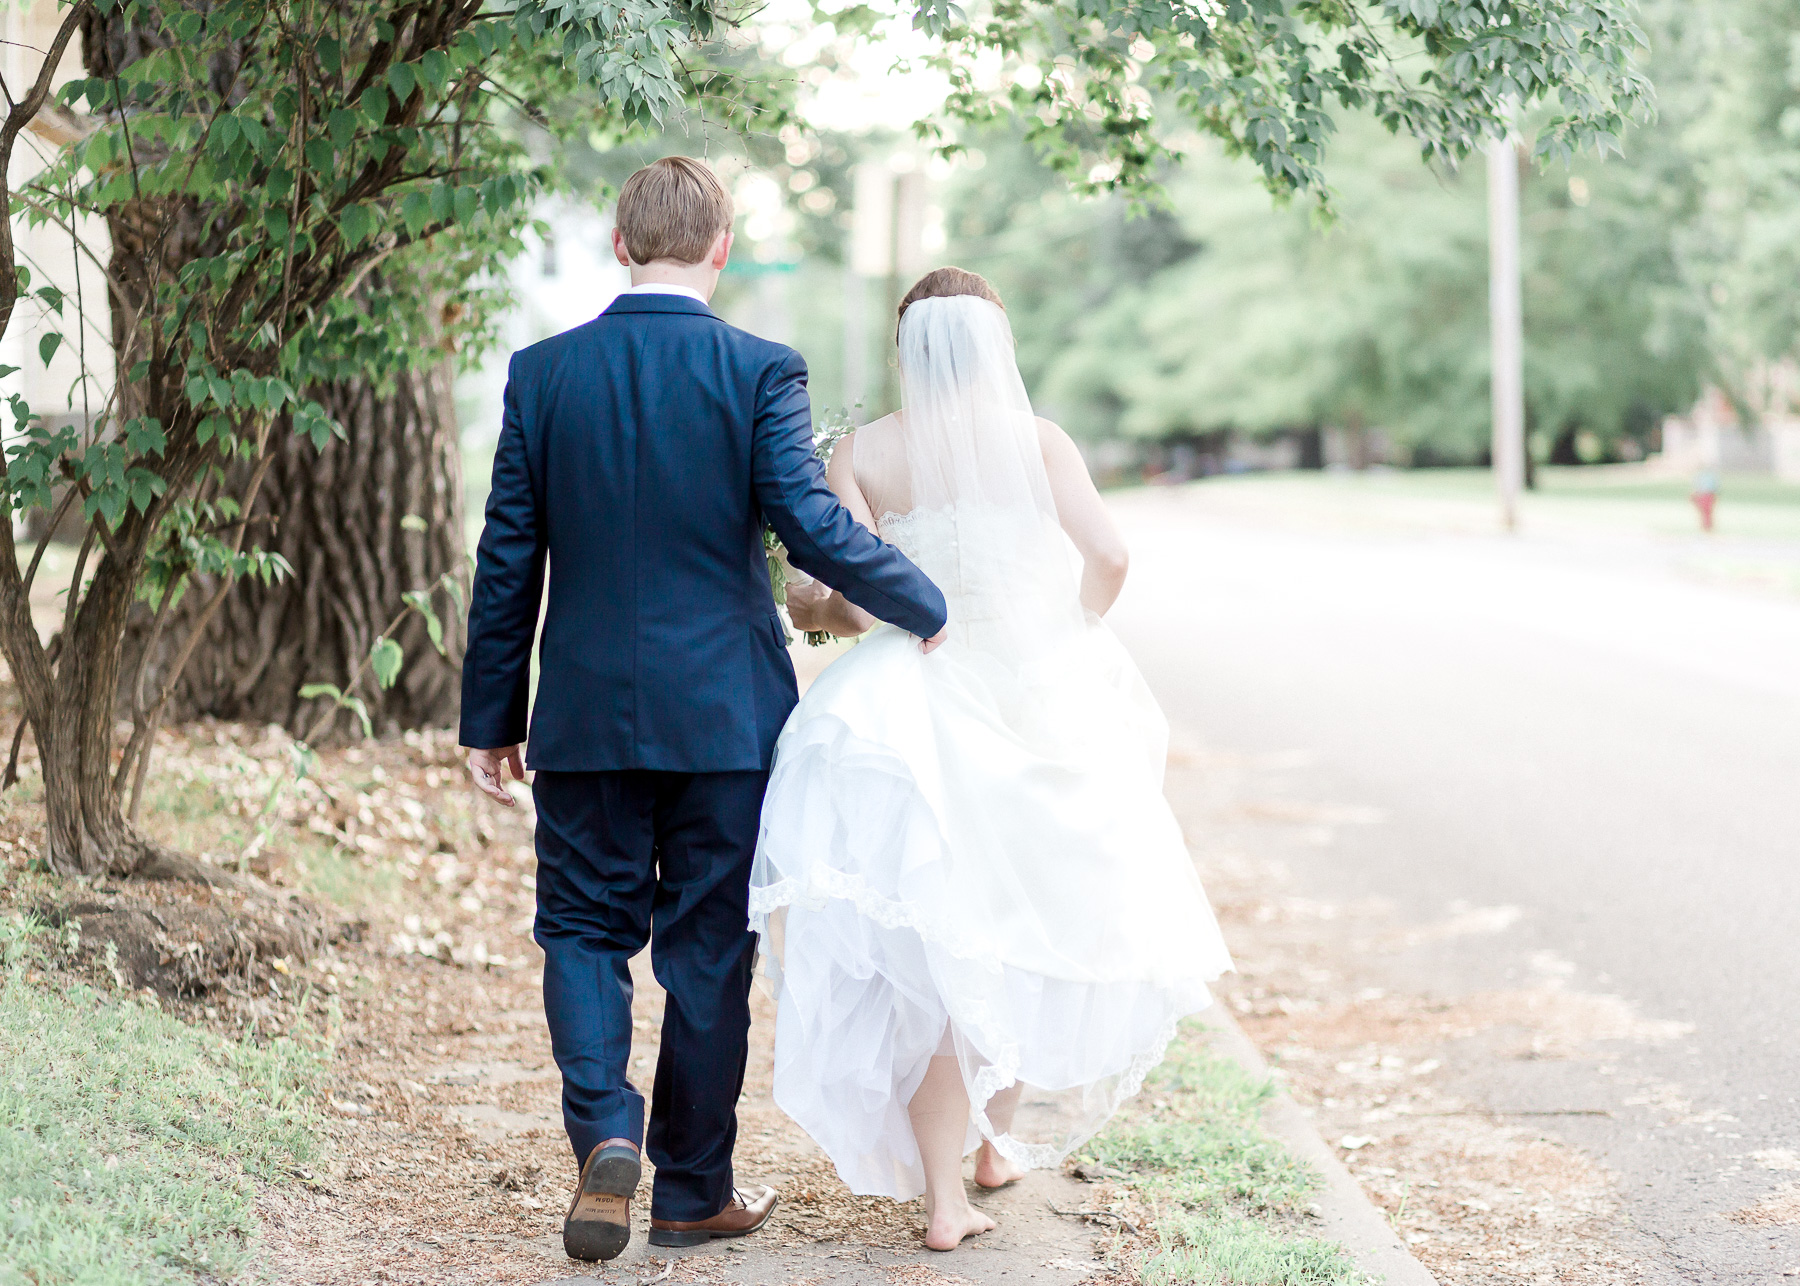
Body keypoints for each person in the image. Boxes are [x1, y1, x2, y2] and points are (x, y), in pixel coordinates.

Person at [458, 157, 948, 1263]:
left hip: (582, 713)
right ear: (721, 249)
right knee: (708, 949)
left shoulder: (542, 373)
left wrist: (491, 713)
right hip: (727, 718)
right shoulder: (761, 368)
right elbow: (813, 524)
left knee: (583, 929)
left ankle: (604, 1130)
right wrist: (926, 603)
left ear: (619, 246)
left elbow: (506, 561)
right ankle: (689, 1189)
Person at [756, 268, 1233, 1251]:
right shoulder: (1041, 442)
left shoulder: (868, 450)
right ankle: (993, 1144)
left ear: (907, 348)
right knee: (1022, 920)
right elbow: (1109, 556)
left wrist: (858, 615)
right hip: (1034, 695)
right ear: (994, 347)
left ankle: (945, 1196)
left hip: (912, 702)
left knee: (938, 943)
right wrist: (1065, 633)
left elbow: (836, 589)